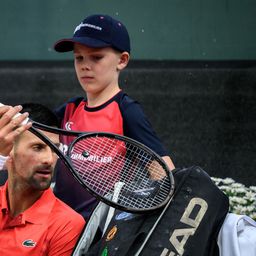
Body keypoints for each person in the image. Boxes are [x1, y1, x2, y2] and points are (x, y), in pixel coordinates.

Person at [52, 14, 175, 220]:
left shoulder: (126, 111)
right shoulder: (68, 110)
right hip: (57, 228)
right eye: (79, 57)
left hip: (101, 235)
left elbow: (166, 176)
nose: (84, 65)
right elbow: (23, 144)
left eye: (96, 57)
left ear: (122, 60)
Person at [0, 103, 85, 256]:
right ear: (9, 148)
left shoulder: (67, 223)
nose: (49, 159)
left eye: (55, 149)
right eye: (38, 147)